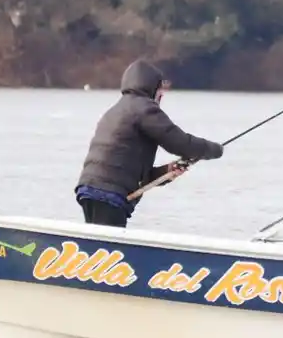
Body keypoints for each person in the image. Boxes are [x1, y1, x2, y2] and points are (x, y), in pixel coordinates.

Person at [73, 59, 225, 228]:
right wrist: (216, 150)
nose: (162, 95)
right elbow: (181, 143)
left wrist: (166, 172)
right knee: (108, 247)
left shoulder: (116, 110)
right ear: (151, 87)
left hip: (89, 188)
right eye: (160, 89)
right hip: (109, 193)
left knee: (98, 245)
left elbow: (132, 174)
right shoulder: (145, 109)